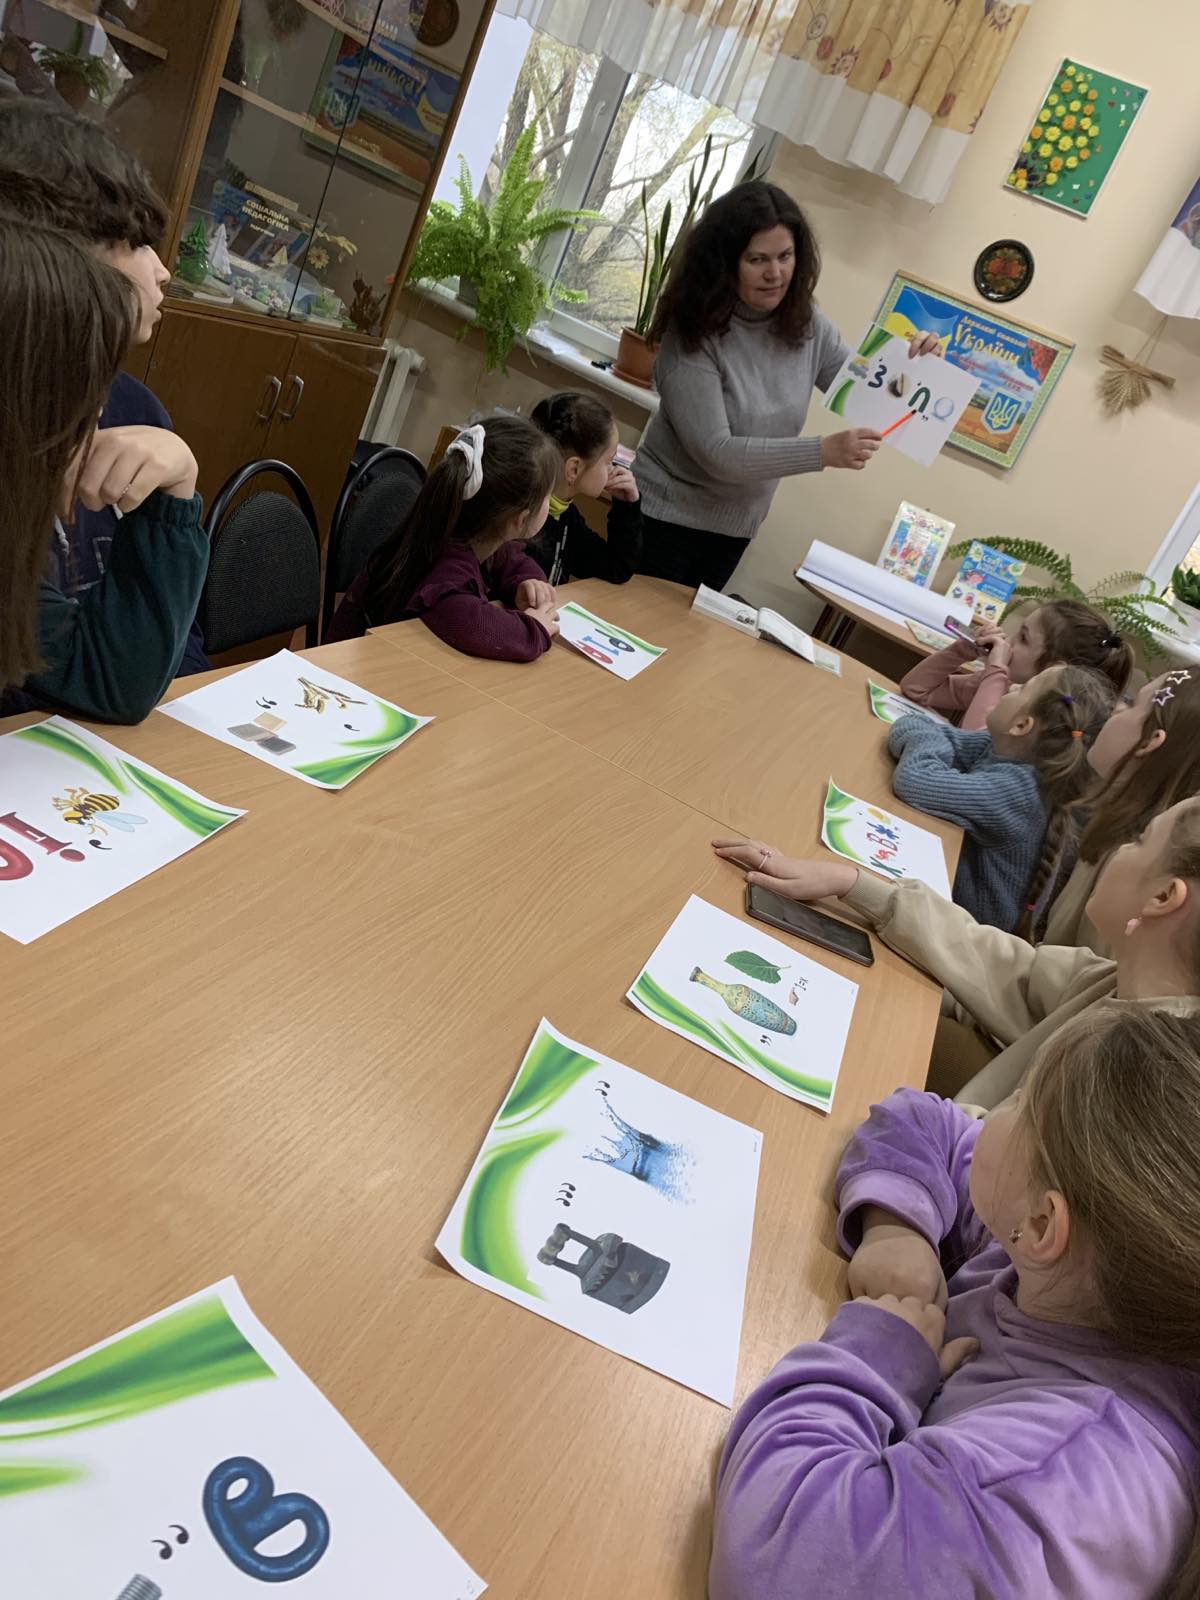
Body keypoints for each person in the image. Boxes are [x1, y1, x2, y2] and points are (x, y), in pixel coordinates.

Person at [709, 1004, 1200, 1600]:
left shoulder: (1053, 1486)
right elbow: (922, 1120)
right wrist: (898, 1229)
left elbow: (780, 1554)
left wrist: (880, 1361)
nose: (989, 1113)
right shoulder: (1078, 1268)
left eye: (1019, 1098)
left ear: (1044, 1223)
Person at [712, 792, 1200, 1108]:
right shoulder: (1118, 983)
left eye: (1141, 840)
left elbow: (983, 1164)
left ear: (1163, 897)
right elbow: (1001, 965)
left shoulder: (1140, 1070)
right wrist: (852, 882)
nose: (1122, 849)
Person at [633, 180, 938, 592]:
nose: (774, 273)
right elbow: (717, 453)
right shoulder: (691, 335)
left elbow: (870, 393)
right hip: (660, 519)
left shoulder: (807, 323)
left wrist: (919, 365)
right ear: (724, 263)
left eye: (785, 256)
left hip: (735, 530)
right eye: (757, 259)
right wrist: (823, 452)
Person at [0, 97, 209, 681]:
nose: (163, 271)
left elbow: (162, 659)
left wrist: (179, 486)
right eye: (136, 243)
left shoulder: (136, 411)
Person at [888, 665, 1113, 932]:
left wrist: (929, 747)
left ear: (1021, 725)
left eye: (1024, 687)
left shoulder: (1018, 791)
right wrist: (932, 744)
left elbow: (914, 779)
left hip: (963, 932)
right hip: (944, 904)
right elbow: (917, 725)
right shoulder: (999, 748)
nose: (1013, 685)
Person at [327, 417, 561, 661]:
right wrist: (534, 630)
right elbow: (476, 626)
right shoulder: (445, 570)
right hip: (351, 672)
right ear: (521, 519)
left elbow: (512, 561)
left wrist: (527, 582)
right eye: (548, 496)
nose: (549, 502)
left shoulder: (466, 534)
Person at [1027, 667, 1200, 951]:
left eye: (1132, 704)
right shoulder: (1112, 823)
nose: (1117, 708)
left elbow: (1073, 970)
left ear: (1149, 742)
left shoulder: (1131, 866)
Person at [899, 599, 1134, 731]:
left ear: (1054, 669)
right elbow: (916, 689)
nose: (1008, 642)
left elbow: (974, 738)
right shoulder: (1001, 683)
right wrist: (962, 650)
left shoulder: (1047, 723)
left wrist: (995, 670)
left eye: (1022, 638)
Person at [524, 392, 642, 586]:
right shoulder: (523, 518)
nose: (613, 469)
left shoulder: (566, 516)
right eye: (608, 461)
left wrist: (626, 508)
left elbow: (617, 568)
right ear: (574, 469)